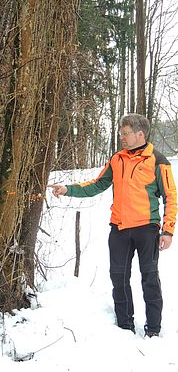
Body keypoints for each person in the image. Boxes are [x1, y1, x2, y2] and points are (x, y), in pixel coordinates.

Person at [48, 113, 177, 337]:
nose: (121, 138)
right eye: (120, 133)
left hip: (147, 228)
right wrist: (68, 189)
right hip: (119, 229)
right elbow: (97, 185)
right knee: (118, 277)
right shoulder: (117, 159)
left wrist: (168, 230)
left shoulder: (158, 160)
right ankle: (124, 327)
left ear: (140, 134)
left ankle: (153, 330)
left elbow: (171, 197)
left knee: (149, 278)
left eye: (125, 134)